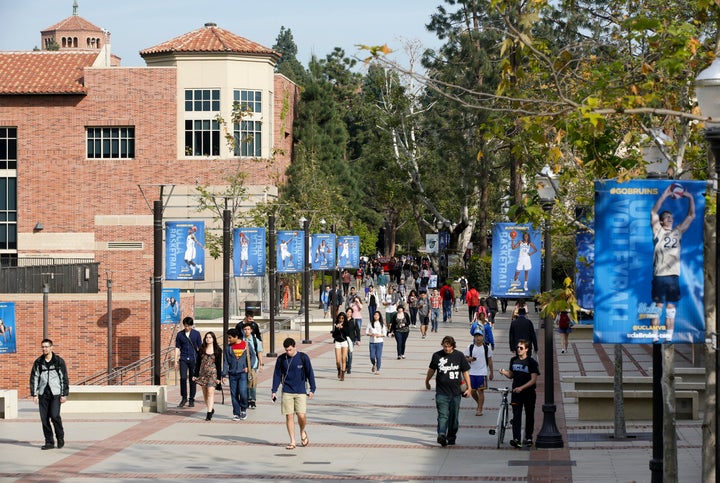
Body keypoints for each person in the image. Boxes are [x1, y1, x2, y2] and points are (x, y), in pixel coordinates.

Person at [650, 184, 695, 342]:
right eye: (667, 217)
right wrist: (665, 195)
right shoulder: (658, 231)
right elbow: (653, 212)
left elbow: (691, 215)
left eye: (671, 217)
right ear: (662, 222)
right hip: (660, 275)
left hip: (673, 276)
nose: (670, 219)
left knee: (671, 309)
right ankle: (655, 337)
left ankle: (668, 338)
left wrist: (689, 197)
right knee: (658, 308)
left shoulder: (677, 232)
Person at [425, 335, 471, 447]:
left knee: (453, 418)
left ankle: (451, 437)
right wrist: (427, 381)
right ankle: (441, 434)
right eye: (444, 346)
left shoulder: (459, 356)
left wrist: (469, 388)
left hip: (455, 393)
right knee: (443, 415)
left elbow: (465, 372)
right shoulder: (437, 356)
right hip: (441, 392)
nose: (446, 349)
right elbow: (431, 370)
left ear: (453, 346)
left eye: (449, 347)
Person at [271, 337, 317, 450]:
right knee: (289, 416)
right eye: (286, 350)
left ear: (294, 347)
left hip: (301, 390)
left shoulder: (303, 357)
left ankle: (302, 431)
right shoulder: (281, 359)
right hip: (287, 390)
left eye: (290, 349)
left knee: (301, 415)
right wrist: (274, 390)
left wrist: (312, 389)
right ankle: (292, 441)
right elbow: (277, 374)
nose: (288, 352)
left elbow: (310, 373)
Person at [499, 339, 540, 448]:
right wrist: (504, 373)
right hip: (516, 393)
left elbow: (533, 379)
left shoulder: (531, 362)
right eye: (517, 347)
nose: (518, 349)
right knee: (516, 415)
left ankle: (529, 437)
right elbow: (511, 375)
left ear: (526, 349)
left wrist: (522, 388)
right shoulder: (513, 360)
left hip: (529, 394)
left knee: (529, 415)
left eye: (521, 348)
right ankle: (516, 438)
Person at [30, 339, 69, 450]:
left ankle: (60, 437)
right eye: (43, 347)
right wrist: (35, 394)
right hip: (43, 394)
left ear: (51, 347)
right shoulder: (38, 362)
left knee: (55, 415)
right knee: (44, 419)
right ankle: (49, 442)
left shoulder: (58, 361)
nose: (44, 349)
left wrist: (64, 394)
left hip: (55, 393)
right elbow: (34, 378)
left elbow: (64, 378)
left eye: (46, 346)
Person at [221, 327, 255, 421]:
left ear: (236, 337)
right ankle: (236, 413)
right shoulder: (228, 348)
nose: (229, 339)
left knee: (243, 392)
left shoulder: (246, 345)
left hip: (243, 374)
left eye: (230, 337)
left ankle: (243, 409)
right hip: (232, 374)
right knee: (234, 394)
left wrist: (249, 367)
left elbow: (253, 357)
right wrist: (224, 375)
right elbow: (226, 362)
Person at [192, 331, 222, 421]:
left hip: (213, 374)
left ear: (213, 339)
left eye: (210, 337)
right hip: (203, 373)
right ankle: (211, 408)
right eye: (206, 337)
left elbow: (219, 365)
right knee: (205, 394)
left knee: (210, 392)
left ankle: (208, 413)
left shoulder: (218, 350)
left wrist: (219, 378)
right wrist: (195, 374)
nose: (208, 339)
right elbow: (197, 363)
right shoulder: (201, 349)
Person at [464, 328, 493, 416]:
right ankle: (479, 403)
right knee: (472, 391)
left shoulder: (486, 348)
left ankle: (479, 408)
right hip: (472, 372)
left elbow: (490, 360)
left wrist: (491, 372)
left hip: (482, 373)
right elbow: (464, 358)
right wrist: (469, 359)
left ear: (482, 337)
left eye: (479, 336)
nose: (478, 338)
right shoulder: (470, 347)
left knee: (480, 391)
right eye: (476, 336)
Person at [175, 316, 202, 407]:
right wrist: (175, 360)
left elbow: (200, 347)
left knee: (192, 379)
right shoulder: (180, 335)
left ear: (191, 325)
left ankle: (191, 399)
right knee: (183, 378)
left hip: (193, 359)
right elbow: (177, 347)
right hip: (183, 359)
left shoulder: (196, 334)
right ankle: (184, 398)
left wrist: (200, 360)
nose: (187, 328)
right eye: (185, 326)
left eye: (189, 326)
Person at [242, 323, 264, 408]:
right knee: (246, 383)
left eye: (248, 329)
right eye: (245, 329)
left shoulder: (255, 341)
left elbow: (259, 353)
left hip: (253, 365)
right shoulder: (241, 340)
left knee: (252, 382)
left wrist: (261, 364)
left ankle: (253, 400)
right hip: (243, 366)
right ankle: (247, 399)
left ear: (251, 330)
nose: (246, 331)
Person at [331, 312, 350, 381]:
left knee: (343, 359)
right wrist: (337, 329)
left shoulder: (346, 324)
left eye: (342, 318)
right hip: (337, 342)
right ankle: (339, 369)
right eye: (340, 318)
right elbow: (333, 335)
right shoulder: (335, 324)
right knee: (338, 361)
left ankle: (342, 374)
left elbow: (348, 333)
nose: (341, 319)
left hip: (344, 342)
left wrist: (342, 328)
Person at [344, 306, 360, 375]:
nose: (349, 313)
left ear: (352, 313)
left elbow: (357, 331)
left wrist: (358, 340)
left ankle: (349, 368)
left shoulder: (354, 321)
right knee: (344, 354)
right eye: (348, 312)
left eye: (350, 312)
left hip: (351, 339)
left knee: (349, 354)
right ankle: (346, 365)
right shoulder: (343, 320)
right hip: (344, 339)